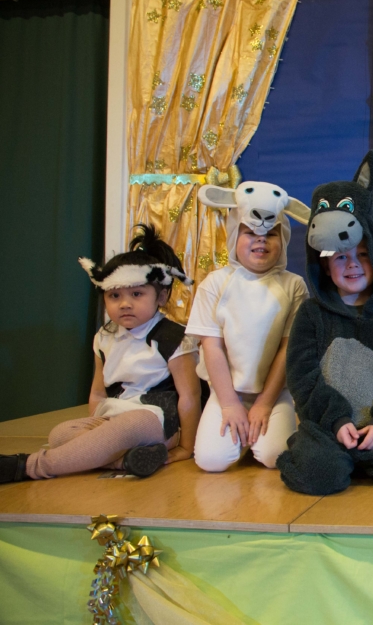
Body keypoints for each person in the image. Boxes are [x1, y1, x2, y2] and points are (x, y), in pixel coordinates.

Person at [277, 151, 373, 495]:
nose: (353, 265)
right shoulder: (310, 315)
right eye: (341, 257)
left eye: (363, 255)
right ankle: (333, 458)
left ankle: (366, 456)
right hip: (327, 428)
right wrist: (336, 422)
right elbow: (303, 378)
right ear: (325, 266)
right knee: (317, 470)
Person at [0, 225, 200, 483]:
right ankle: (125, 460)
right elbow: (97, 393)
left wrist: (186, 446)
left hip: (156, 420)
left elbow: (190, 396)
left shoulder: (175, 337)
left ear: (161, 296)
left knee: (131, 424)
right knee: (60, 434)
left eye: (136, 294)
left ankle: (28, 466)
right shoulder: (104, 337)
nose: (125, 304)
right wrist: (99, 430)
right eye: (114, 295)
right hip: (115, 415)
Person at [188, 181, 309, 472]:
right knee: (211, 461)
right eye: (250, 233)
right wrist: (229, 404)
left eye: (271, 234)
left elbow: (287, 349)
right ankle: (242, 436)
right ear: (234, 235)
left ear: (283, 239)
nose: (261, 240)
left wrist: (265, 403)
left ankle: (256, 435)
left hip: (274, 393)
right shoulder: (215, 283)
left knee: (275, 456)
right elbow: (212, 347)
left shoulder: (293, 285)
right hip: (226, 392)